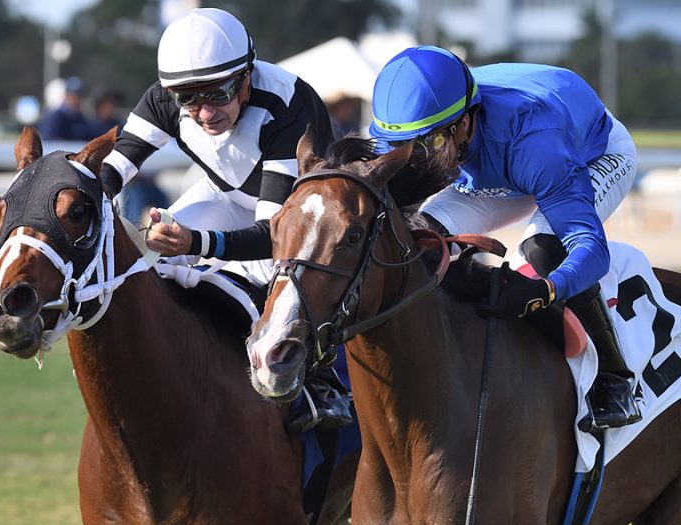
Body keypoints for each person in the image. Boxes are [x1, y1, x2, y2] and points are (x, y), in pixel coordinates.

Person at [99, 8, 350, 433]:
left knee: (272, 280)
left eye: (219, 92)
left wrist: (195, 242)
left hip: (296, 224)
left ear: (247, 75)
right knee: (152, 259)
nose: (204, 112)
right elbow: (111, 171)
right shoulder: (167, 97)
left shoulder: (289, 107)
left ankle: (320, 383)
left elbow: (271, 236)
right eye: (188, 99)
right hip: (227, 194)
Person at [367, 46, 641, 430]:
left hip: (585, 152)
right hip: (492, 164)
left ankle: (615, 379)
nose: (414, 161)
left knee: (543, 249)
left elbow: (590, 249)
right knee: (417, 243)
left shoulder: (536, 141)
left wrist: (544, 291)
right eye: (402, 149)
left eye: (426, 146)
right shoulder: (415, 133)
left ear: (463, 123)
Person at [38, 77, 95, 142]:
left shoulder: (81, 118)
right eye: (73, 96)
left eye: (79, 96)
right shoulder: (56, 117)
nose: (76, 100)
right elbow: (50, 142)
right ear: (66, 96)